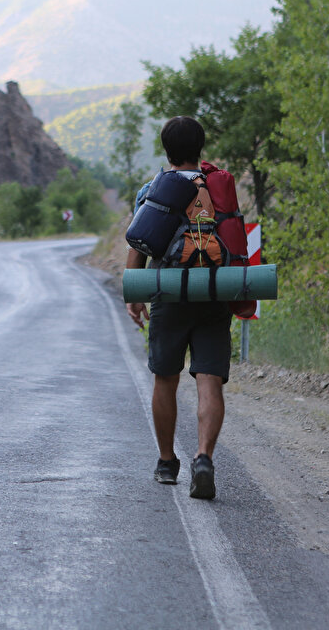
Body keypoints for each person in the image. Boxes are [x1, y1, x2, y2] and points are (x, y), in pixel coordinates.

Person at [125, 116, 233, 500]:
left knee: (165, 378)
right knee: (209, 379)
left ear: (166, 149)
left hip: (168, 295)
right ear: (200, 147)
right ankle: (203, 456)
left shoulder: (155, 188)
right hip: (214, 295)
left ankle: (168, 462)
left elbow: (139, 244)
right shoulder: (218, 187)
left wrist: (133, 293)